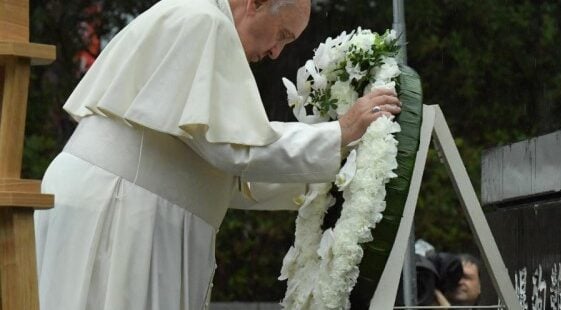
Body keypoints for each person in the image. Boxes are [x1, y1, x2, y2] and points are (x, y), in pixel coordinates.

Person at [33, 0, 401, 309]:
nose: (276, 52)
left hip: (123, 202)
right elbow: (235, 151)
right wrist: (338, 132)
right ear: (255, 2)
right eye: (282, 35)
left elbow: (219, 176)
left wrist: (331, 173)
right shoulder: (204, 22)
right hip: (118, 208)